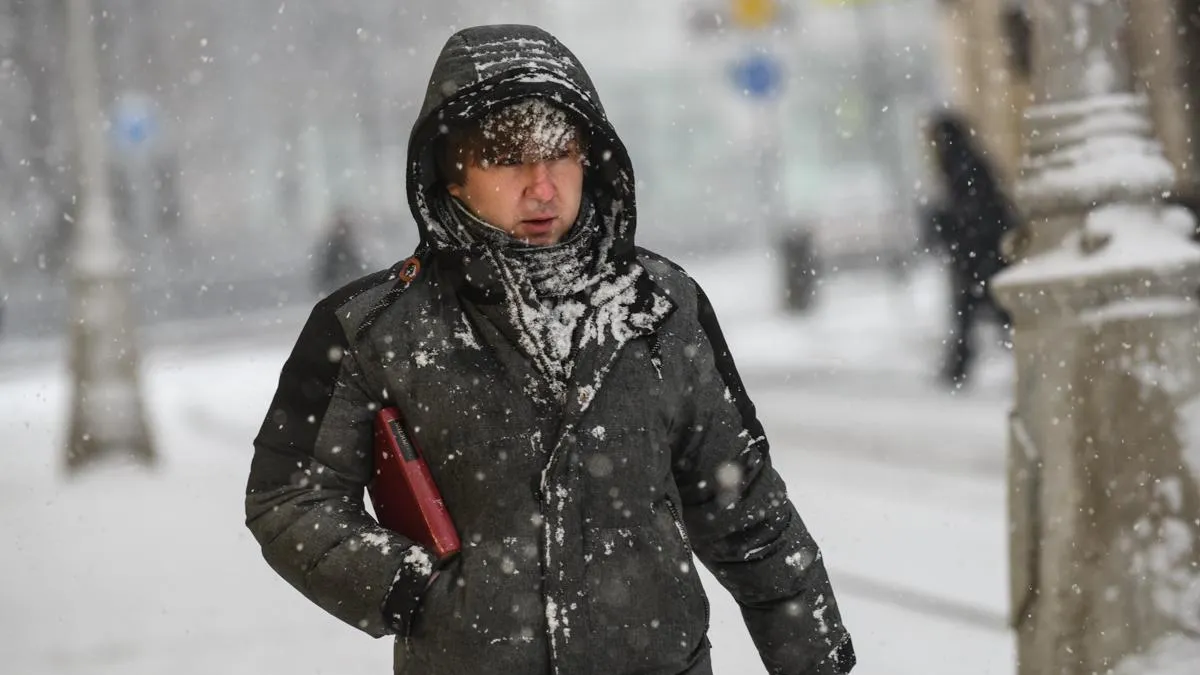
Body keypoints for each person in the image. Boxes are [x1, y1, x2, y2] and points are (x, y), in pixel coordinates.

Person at [245, 24, 854, 675]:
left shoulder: (661, 306)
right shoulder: (369, 329)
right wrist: (413, 589)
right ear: (451, 175)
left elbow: (747, 510)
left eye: (561, 153)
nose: (542, 186)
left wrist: (817, 661)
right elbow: (288, 498)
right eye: (509, 158)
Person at [925, 110, 1017, 387]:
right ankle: (959, 365)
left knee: (987, 310)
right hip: (979, 254)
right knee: (983, 311)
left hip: (980, 255)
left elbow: (974, 213)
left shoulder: (963, 166)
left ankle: (959, 366)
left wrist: (946, 225)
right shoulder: (964, 163)